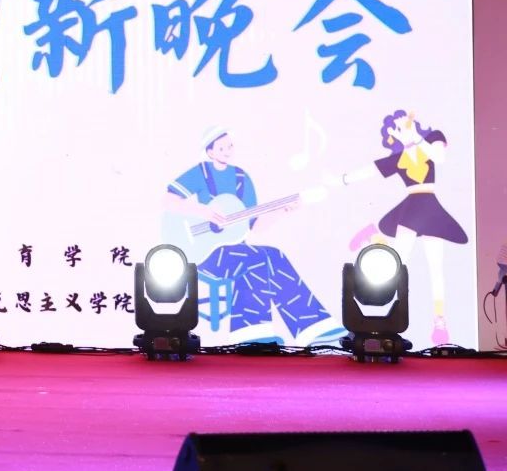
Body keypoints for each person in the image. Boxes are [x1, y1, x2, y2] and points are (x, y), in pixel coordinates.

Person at [164, 126, 344, 345]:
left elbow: (254, 226)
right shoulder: (200, 173)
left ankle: (313, 327)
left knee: (274, 255)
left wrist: (281, 211)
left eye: (230, 146)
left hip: (235, 249)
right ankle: (250, 333)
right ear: (210, 152)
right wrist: (203, 212)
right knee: (255, 259)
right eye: (221, 148)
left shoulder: (241, 178)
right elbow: (168, 200)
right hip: (204, 253)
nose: (227, 151)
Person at [326, 109, 468, 345]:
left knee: (436, 266)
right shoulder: (400, 158)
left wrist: (416, 137)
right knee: (397, 263)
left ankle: (439, 320)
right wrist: (340, 180)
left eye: (405, 125)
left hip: (431, 207)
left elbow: (439, 157)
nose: (404, 129)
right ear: (393, 136)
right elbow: (369, 170)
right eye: (398, 129)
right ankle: (375, 240)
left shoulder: (432, 139)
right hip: (411, 209)